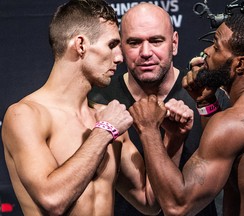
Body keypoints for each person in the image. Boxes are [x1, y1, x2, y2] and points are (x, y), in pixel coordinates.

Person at [1, 0, 194, 215]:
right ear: (81, 45)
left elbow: (150, 201)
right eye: (111, 45)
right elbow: (52, 200)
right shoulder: (26, 115)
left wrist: (173, 138)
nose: (120, 57)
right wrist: (103, 132)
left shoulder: (106, 115)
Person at [128, 14, 244, 216]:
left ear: (240, 64)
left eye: (216, 46)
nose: (207, 51)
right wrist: (206, 103)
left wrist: (149, 129)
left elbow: (178, 206)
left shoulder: (232, 123)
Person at [88, 2, 222, 215]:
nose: (146, 52)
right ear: (121, 46)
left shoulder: (207, 99)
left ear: (174, 43)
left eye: (156, 41)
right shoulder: (97, 101)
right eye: (134, 43)